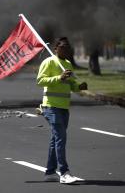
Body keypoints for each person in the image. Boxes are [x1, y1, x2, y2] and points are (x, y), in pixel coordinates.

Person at [36, 37, 87, 184]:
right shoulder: (49, 62)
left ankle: (50, 172)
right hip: (51, 106)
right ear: (56, 49)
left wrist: (79, 87)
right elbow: (40, 80)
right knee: (61, 138)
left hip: (64, 107)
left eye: (67, 47)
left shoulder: (68, 64)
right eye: (62, 47)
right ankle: (64, 173)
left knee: (55, 139)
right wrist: (59, 77)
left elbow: (70, 84)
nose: (65, 49)